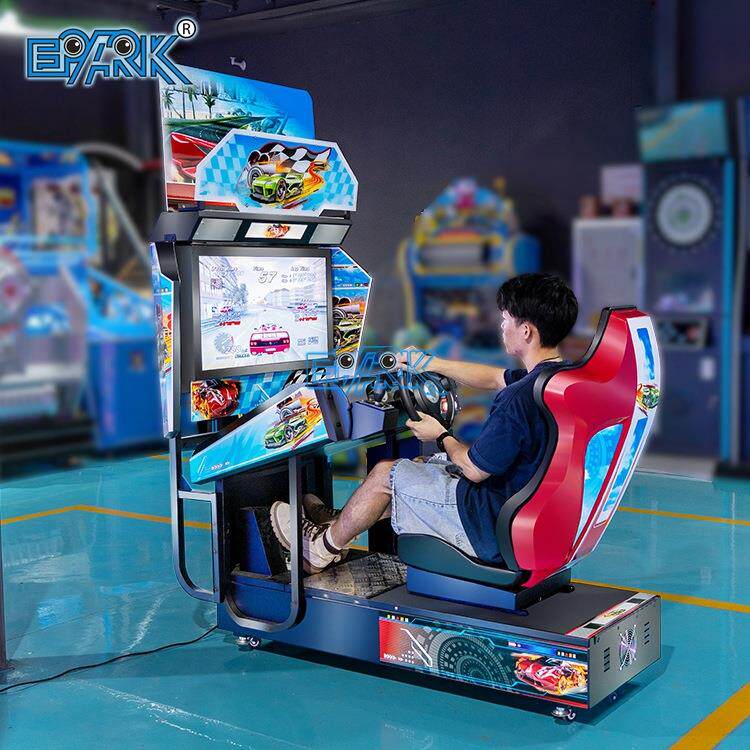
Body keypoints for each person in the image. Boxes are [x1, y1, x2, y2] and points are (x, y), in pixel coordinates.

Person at [270, 273, 579, 573]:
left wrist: (440, 435)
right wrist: (430, 363)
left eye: (506, 318)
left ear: (525, 331)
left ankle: (321, 549)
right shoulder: (558, 380)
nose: (501, 325)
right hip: (524, 515)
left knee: (386, 474)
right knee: (420, 465)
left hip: (485, 526)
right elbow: (496, 378)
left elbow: (474, 468)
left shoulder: (518, 400)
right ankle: (341, 522)